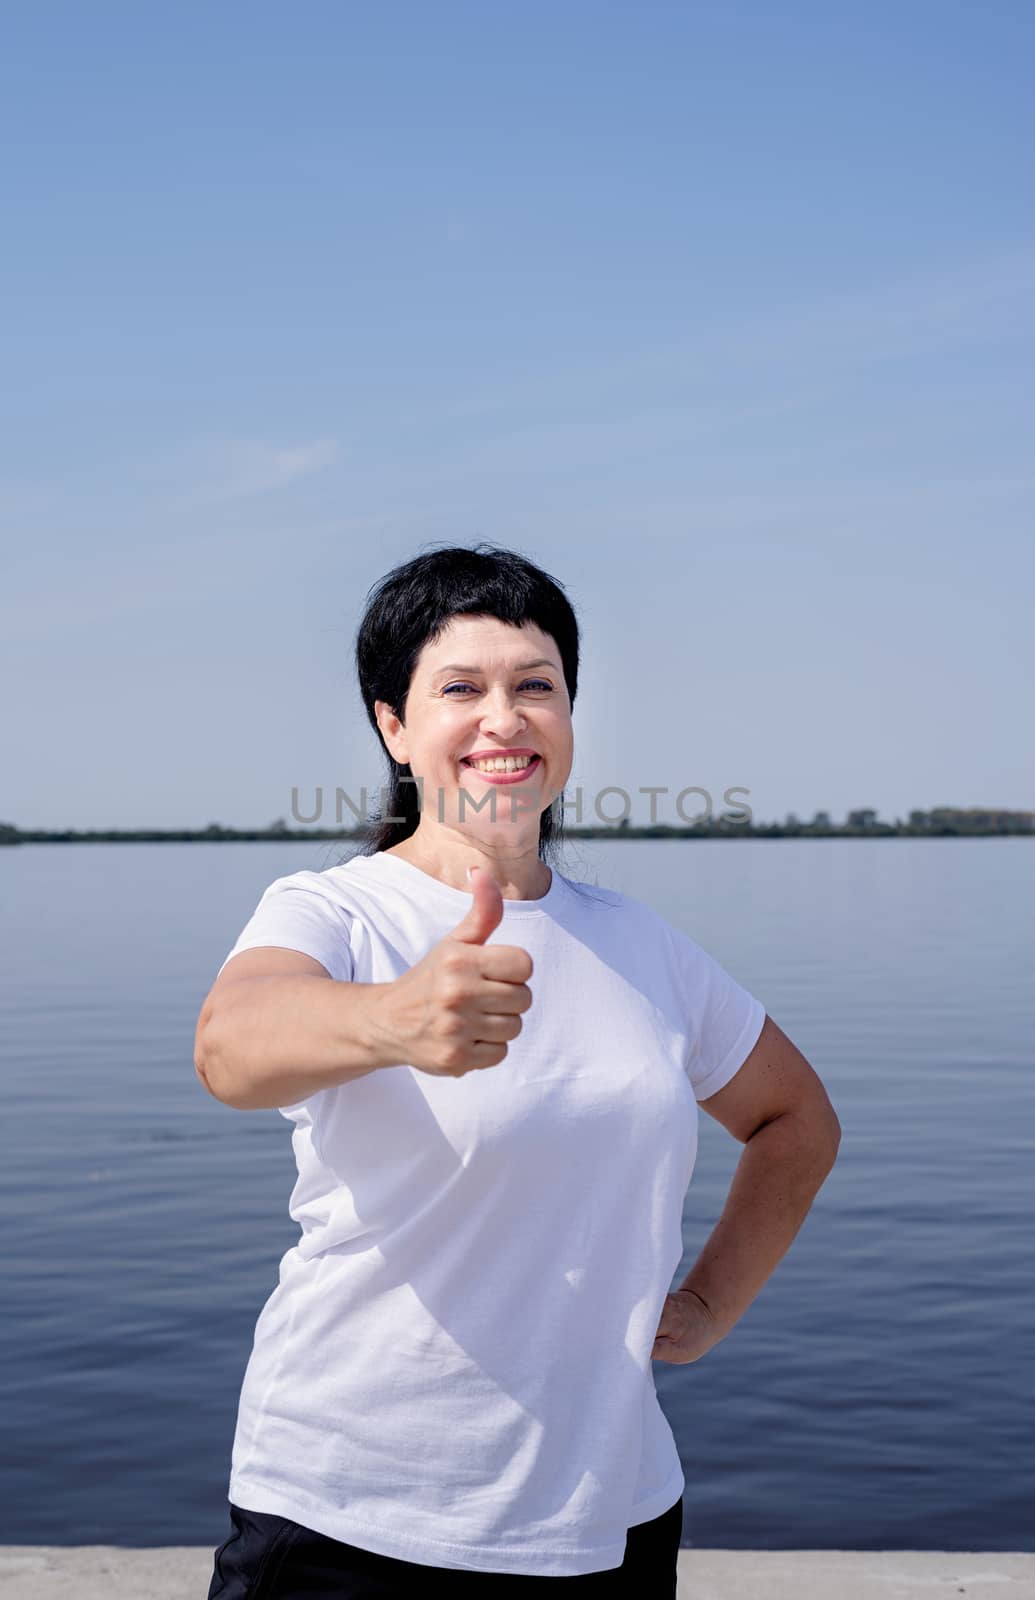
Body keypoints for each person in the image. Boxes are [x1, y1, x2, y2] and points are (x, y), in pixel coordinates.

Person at [195, 542, 841, 1597]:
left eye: (536, 685)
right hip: (354, 1517)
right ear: (393, 727)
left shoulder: (646, 947)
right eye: (460, 687)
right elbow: (231, 1042)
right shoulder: (335, 910)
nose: (504, 716)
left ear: (570, 719)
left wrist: (714, 1299)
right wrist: (391, 1019)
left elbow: (796, 1120)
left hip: (609, 1516)